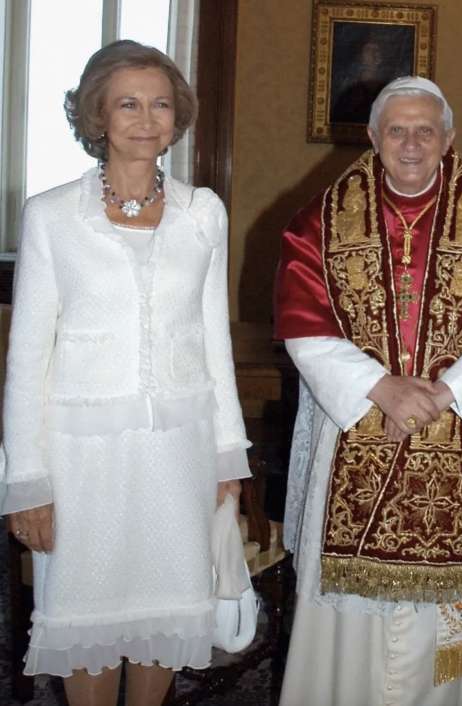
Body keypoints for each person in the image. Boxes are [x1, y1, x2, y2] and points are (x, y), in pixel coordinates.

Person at [275, 76, 462, 706]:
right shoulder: (319, 221)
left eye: (424, 130)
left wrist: (446, 393)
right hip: (354, 425)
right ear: (373, 138)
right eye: (396, 130)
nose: (411, 144)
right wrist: (378, 387)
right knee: (349, 630)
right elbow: (304, 325)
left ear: (449, 138)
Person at [0, 40, 251, 706]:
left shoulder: (205, 213)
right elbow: (27, 359)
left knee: (165, 617)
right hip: (81, 462)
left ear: (178, 117)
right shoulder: (52, 216)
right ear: (98, 118)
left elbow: (211, 340)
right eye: (128, 104)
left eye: (161, 103)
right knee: (84, 617)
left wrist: (229, 455)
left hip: (179, 453)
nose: (147, 119)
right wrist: (25, 480)